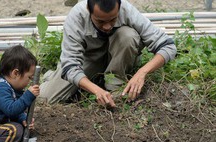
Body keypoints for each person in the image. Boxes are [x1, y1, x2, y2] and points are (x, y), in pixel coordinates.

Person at [39, 0, 176, 107]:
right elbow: (70, 66)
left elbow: (168, 46)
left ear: (119, 7)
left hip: (120, 56)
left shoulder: (126, 10)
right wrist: (96, 90)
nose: (107, 26)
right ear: (89, 9)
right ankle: (56, 76)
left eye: (112, 20)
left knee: (128, 35)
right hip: (90, 60)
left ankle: (115, 86)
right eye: (100, 21)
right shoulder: (77, 17)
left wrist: (141, 73)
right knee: (44, 98)